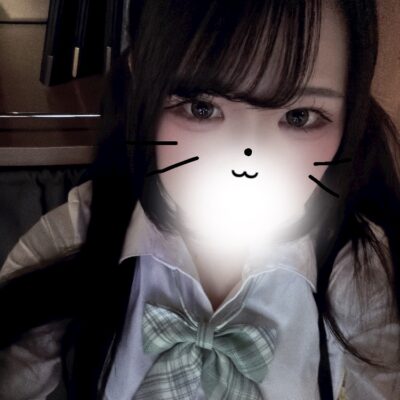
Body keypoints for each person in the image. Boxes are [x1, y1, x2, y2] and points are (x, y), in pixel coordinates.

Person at [1, 0, 399, 399]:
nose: (246, 161)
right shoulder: (79, 234)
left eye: (299, 116)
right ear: (142, 76)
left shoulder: (359, 269)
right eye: (202, 108)